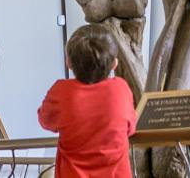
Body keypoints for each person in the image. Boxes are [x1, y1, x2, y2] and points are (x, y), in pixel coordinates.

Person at [38, 25, 137, 178]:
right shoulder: (121, 90)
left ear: (69, 62)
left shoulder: (61, 92)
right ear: (114, 64)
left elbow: (45, 121)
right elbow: (130, 128)